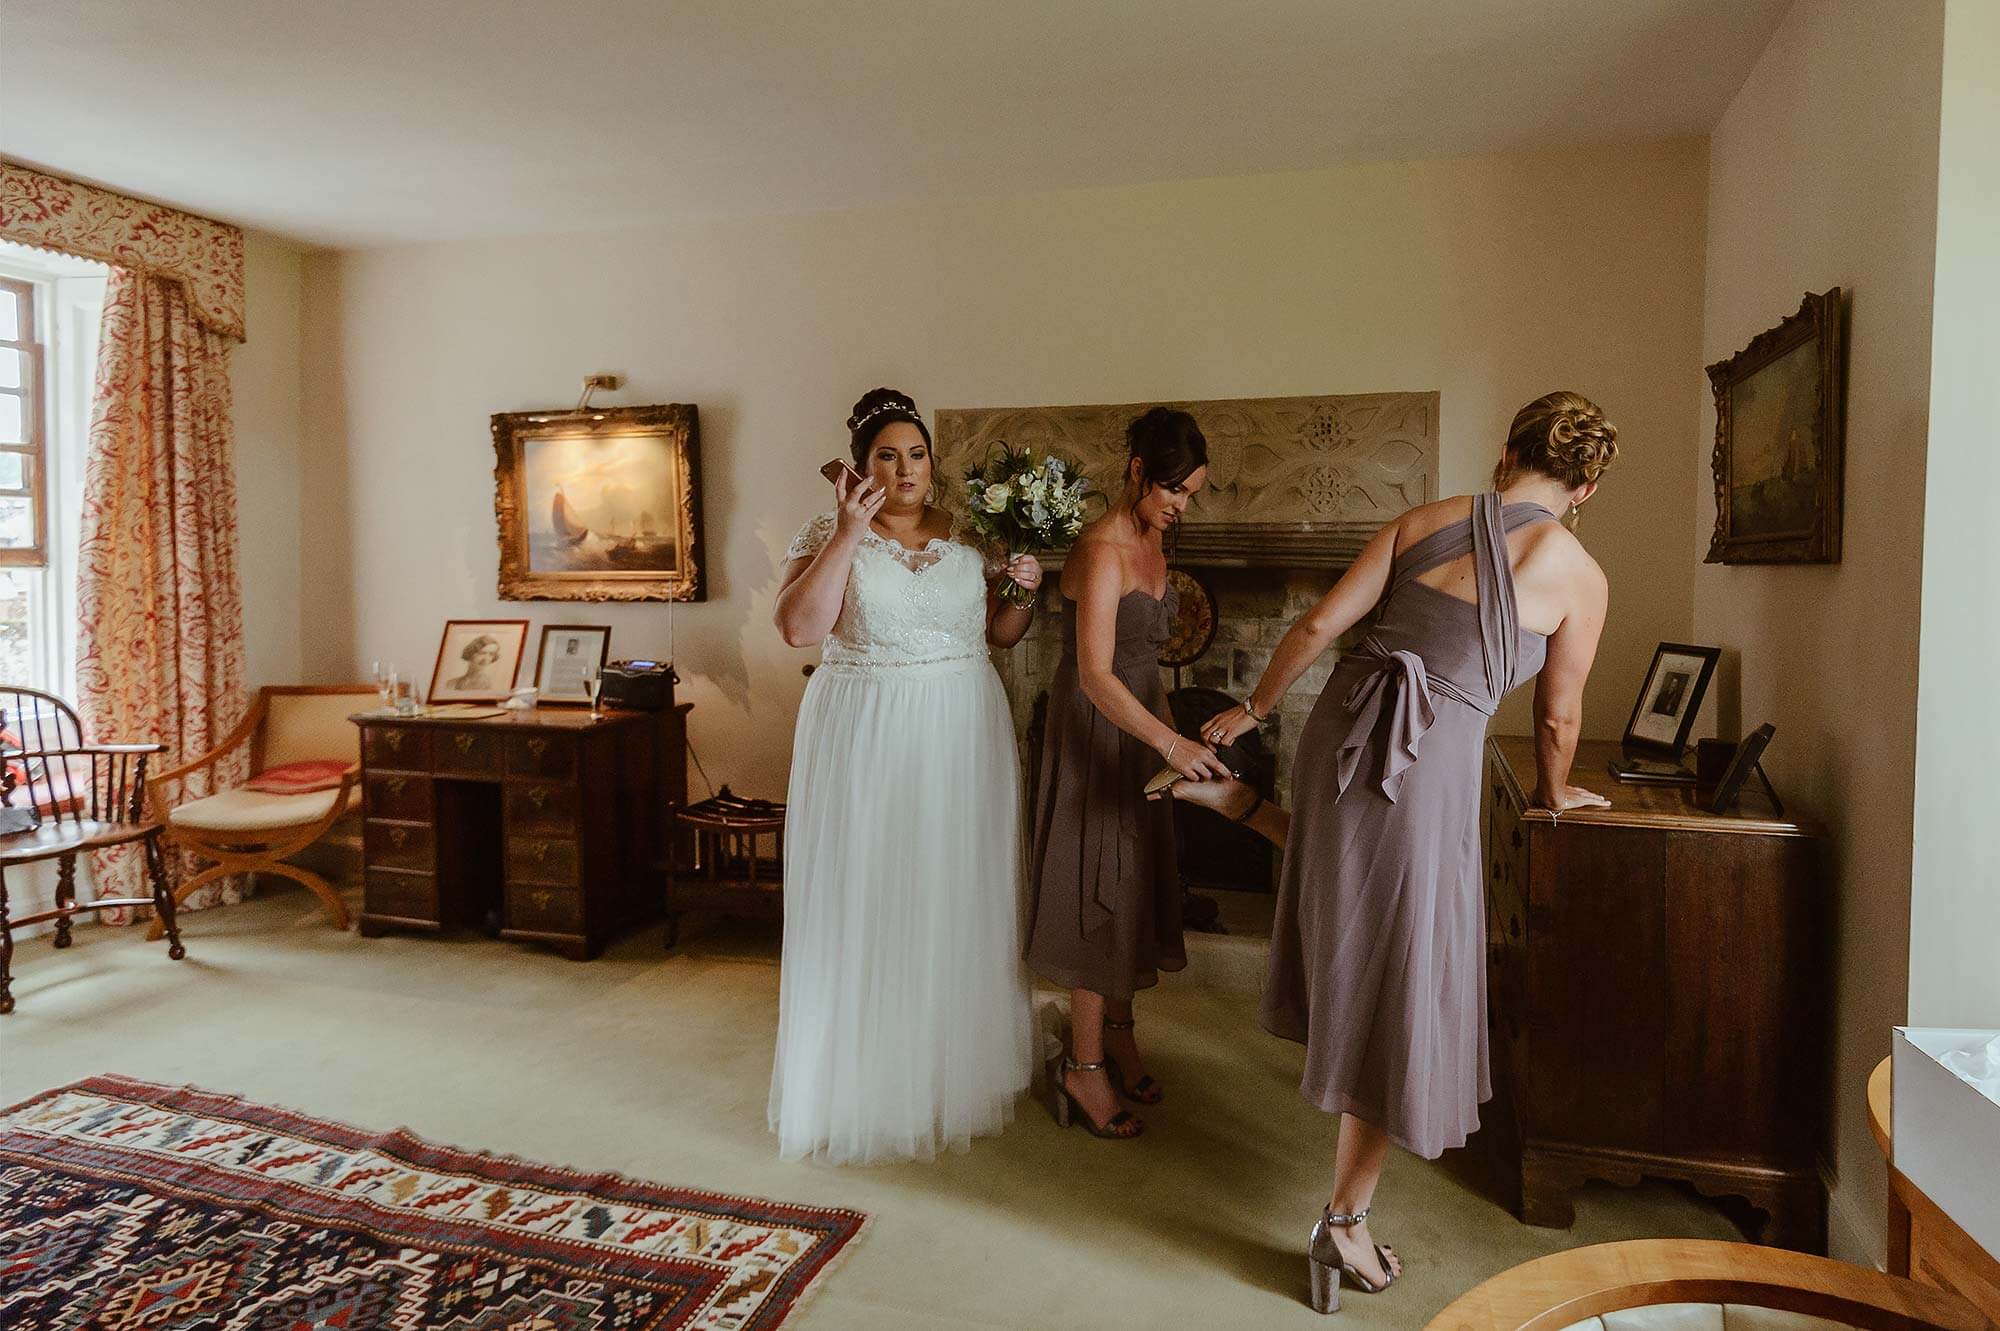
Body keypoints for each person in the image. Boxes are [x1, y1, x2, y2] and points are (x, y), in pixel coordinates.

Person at [1200, 390, 1618, 1311]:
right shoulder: (1580, 573)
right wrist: (1554, 792)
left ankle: (1234, 798)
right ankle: (1342, 1223)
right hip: (1427, 756)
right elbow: (1558, 713)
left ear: (1507, 451)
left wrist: (1254, 710)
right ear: (1584, 486)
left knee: (1348, 893)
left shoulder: (1425, 518)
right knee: (1408, 974)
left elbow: (1314, 629)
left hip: (1341, 725)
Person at [768, 387, 1042, 1164]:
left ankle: (950, 1067)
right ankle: (867, 1082)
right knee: (875, 893)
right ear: (860, 468)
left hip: (962, 728)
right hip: (868, 733)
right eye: (887, 455)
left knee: (951, 889)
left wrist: (1024, 586)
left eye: (916, 453)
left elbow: (1000, 632)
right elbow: (798, 628)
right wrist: (849, 533)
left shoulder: (968, 534)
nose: (906, 467)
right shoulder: (829, 531)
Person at [1024, 407, 1227, 1140]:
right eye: (1174, 489)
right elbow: (1094, 674)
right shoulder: (1103, 551)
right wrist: (1169, 744)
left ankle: (1117, 1033)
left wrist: (1168, 735)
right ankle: (1081, 1069)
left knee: (1135, 885)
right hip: (1098, 730)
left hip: (1142, 727)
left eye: (1192, 492)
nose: (1182, 505)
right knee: (1096, 888)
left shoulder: (1152, 539)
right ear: (1138, 471)